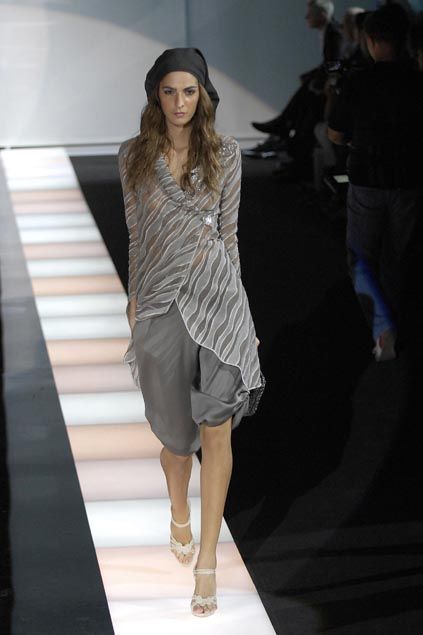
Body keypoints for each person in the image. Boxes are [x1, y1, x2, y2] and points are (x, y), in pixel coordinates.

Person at [117, 47, 265, 617]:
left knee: (217, 430)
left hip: (218, 300)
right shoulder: (134, 155)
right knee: (177, 444)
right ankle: (178, 508)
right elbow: (136, 234)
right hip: (162, 305)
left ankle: (207, 563)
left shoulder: (224, 152)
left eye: (189, 91)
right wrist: (135, 299)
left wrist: (242, 313)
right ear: (155, 95)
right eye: (169, 91)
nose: (180, 102)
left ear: (202, 95)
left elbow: (230, 236)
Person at [327, 5, 423, 361]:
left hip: (367, 179)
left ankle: (383, 328)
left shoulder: (358, 81)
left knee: (362, 258)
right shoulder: (418, 81)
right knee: (399, 257)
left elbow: (336, 134)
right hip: (410, 181)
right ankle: (398, 323)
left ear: (369, 40)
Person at [244, 0, 342, 173]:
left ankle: (283, 128)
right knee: (304, 107)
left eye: (310, 14)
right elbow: (329, 63)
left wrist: (315, 79)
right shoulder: (330, 32)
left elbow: (333, 63)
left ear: (322, 15)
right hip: (327, 89)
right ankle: (284, 130)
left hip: (331, 92)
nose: (306, 17)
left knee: (306, 109)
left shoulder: (333, 33)